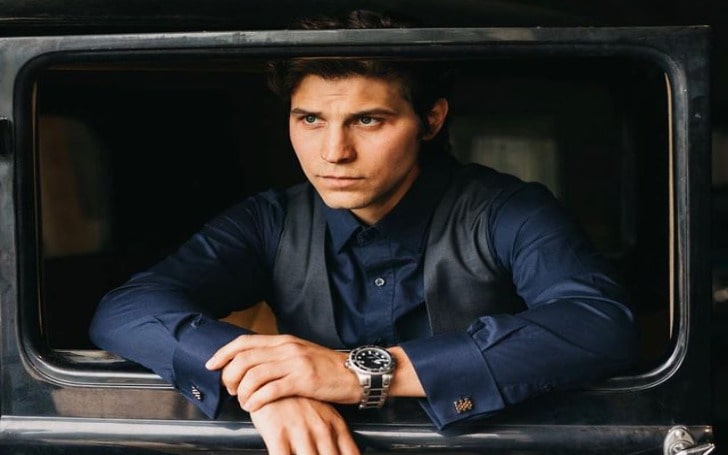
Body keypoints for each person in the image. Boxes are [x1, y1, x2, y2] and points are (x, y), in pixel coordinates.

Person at [89, 9, 638, 455]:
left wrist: (355, 372)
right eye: (310, 120)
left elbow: (598, 324)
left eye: (367, 120)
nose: (334, 152)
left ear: (431, 120)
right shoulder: (270, 219)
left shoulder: (506, 209)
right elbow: (127, 309)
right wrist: (266, 383)